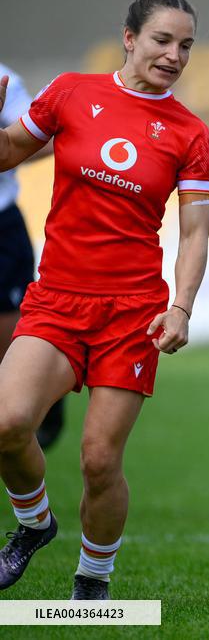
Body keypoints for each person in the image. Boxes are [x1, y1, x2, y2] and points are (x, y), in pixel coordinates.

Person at [0, 0, 209, 600]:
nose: (175, 55)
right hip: (57, 298)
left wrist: (181, 306)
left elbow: (195, 232)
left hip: (132, 313)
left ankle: (93, 581)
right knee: (7, 423)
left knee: (99, 459)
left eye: (186, 46)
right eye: (162, 41)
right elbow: (11, 152)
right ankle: (35, 525)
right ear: (129, 37)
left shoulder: (191, 134)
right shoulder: (71, 91)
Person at [0, 63, 64, 452]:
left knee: (8, 349)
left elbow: (46, 140)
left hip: (0, 225)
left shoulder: (3, 78)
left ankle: (44, 401)